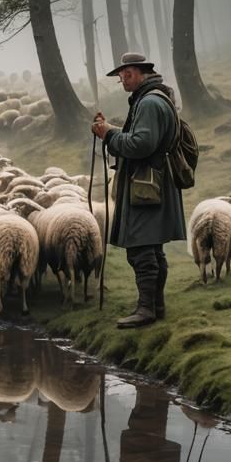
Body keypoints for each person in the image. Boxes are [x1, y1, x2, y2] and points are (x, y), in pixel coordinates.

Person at [91, 52, 186, 329]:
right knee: (152, 248)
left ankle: (146, 309)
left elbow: (142, 144)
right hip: (153, 181)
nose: (122, 79)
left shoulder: (150, 102)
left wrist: (108, 134)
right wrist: (109, 129)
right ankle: (155, 305)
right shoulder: (153, 99)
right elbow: (144, 138)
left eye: (127, 73)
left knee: (141, 248)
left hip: (148, 184)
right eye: (120, 75)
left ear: (142, 72)